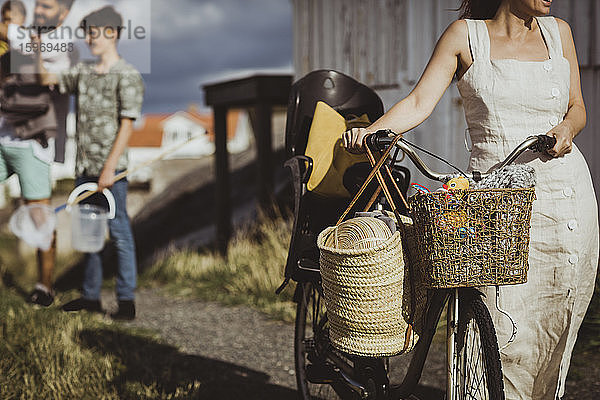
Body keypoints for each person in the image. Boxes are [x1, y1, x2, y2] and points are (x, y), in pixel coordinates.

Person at [343, 0, 598, 399]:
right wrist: (371, 132)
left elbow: (577, 107)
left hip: (566, 196)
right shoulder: (465, 36)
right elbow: (417, 102)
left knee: (558, 315)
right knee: (500, 323)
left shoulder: (559, 32)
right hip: (496, 203)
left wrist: (568, 126)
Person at [38, 5, 144, 320]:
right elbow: (46, 77)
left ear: (112, 34)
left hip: (112, 171)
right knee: (89, 233)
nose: (88, 39)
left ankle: (126, 301)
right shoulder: (83, 72)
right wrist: (39, 44)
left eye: (93, 33)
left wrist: (110, 168)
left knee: (119, 231)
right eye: (85, 33)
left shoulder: (127, 75)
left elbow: (127, 124)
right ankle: (91, 296)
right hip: (84, 169)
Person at [0, 0, 76, 307]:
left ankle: (44, 287)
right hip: (3, 139)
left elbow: (41, 65)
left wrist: (12, 34)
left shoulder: (56, 41)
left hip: (34, 143)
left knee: (39, 217)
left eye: (10, 18)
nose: (5, 23)